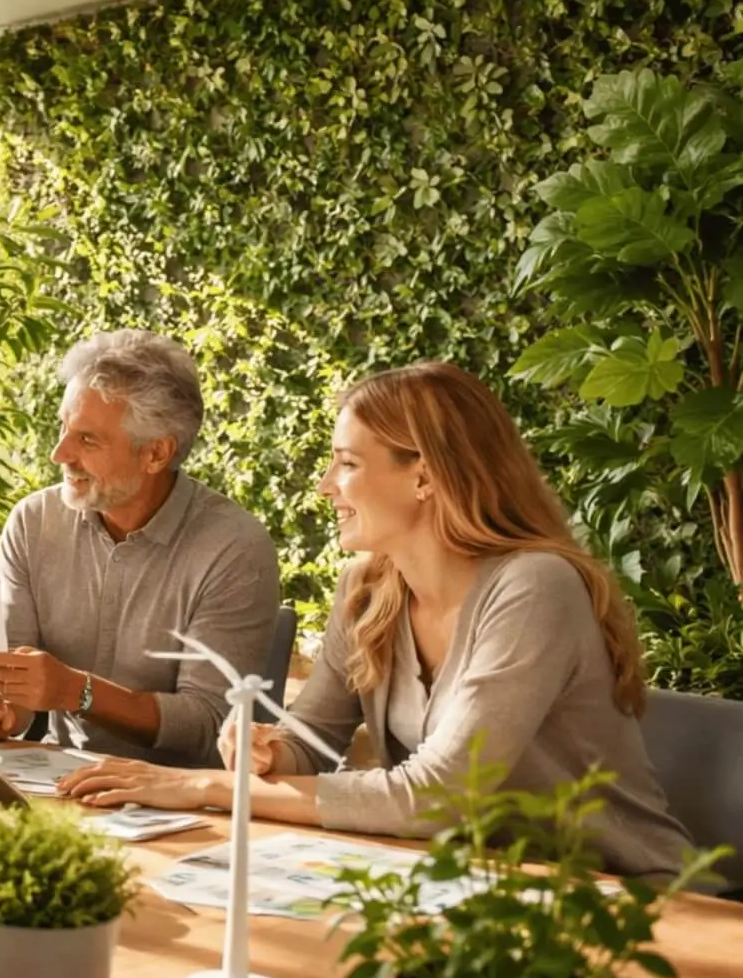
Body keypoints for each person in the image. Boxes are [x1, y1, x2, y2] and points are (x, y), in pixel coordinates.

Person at [56, 361, 693, 879]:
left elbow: (438, 795)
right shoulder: (368, 588)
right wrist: (269, 751)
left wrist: (202, 788)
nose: (327, 485)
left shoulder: (533, 588)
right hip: (477, 883)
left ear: (425, 476)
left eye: (348, 463)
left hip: (630, 899)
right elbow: (310, 741)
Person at [0, 330, 280, 767]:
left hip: (187, 798)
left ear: (156, 453)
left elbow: (209, 726)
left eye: (88, 440)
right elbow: (10, 685)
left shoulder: (234, 549)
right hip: (58, 777)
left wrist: (77, 691)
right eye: (63, 427)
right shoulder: (34, 523)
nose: (59, 454)